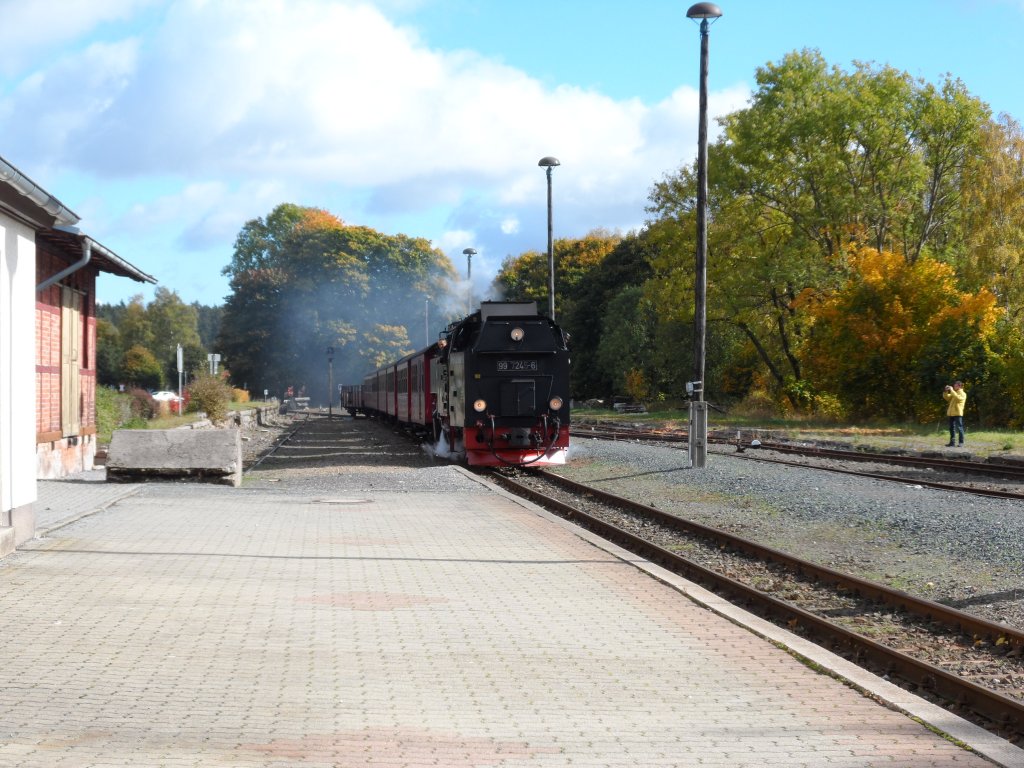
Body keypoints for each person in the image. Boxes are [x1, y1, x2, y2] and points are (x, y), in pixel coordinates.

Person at [943, 381, 967, 447]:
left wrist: (952, 390)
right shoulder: (954, 393)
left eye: (955, 386)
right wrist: (945, 391)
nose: (954, 387)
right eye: (954, 386)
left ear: (960, 386)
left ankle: (961, 442)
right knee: (951, 428)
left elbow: (958, 398)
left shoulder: (963, 394)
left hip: (958, 413)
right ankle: (952, 443)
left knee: (959, 428)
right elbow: (947, 398)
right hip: (951, 413)